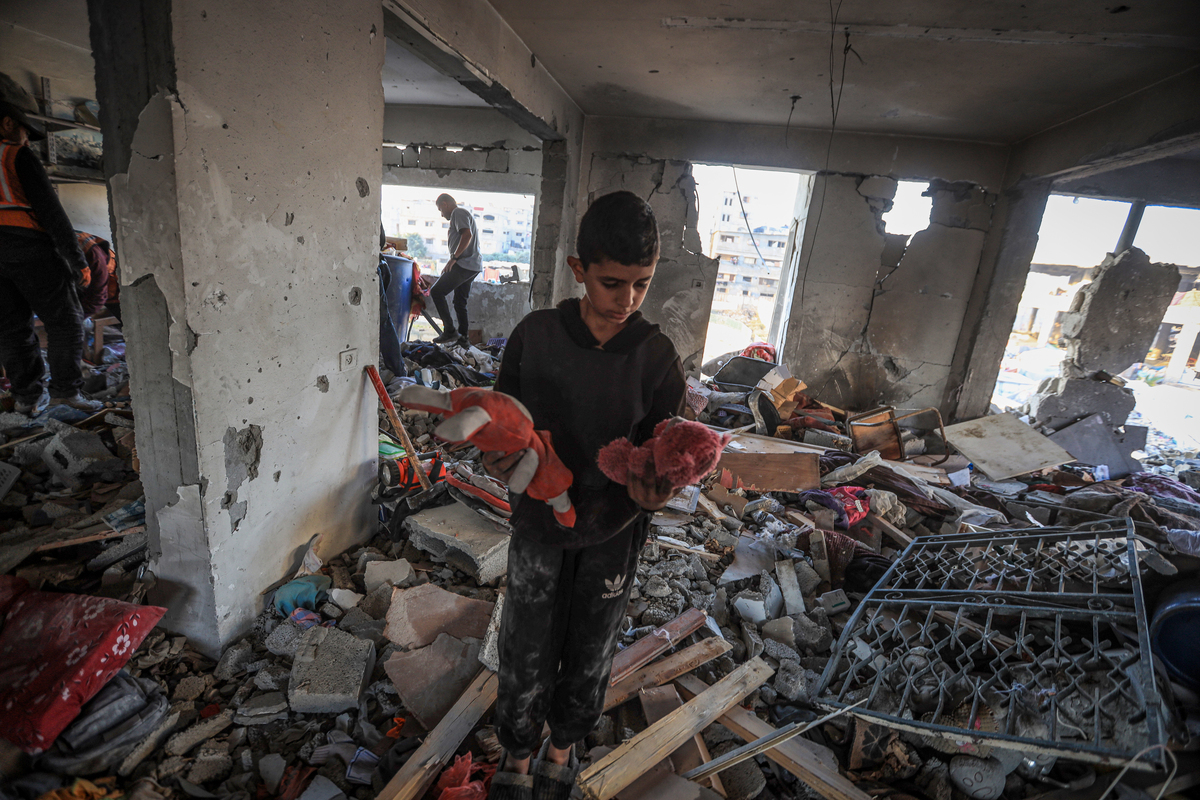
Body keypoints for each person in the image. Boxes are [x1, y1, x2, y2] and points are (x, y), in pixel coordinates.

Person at [482, 191, 686, 800]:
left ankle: (561, 751)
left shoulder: (656, 358)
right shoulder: (535, 336)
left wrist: (655, 493)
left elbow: (663, 455)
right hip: (539, 524)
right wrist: (498, 457)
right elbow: (503, 424)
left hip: (613, 531)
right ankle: (516, 758)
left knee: (593, 643)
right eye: (611, 282)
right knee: (525, 643)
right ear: (578, 271)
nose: (626, 300)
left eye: (641, 284)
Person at [0, 85, 102, 415]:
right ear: (6, 124)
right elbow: (52, 213)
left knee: (12, 329)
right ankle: (64, 395)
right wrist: (76, 263)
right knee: (65, 323)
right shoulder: (14, 155)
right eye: (25, 132)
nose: (26, 140)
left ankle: (27, 399)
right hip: (28, 248)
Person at [429, 193, 481, 346]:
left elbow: (467, 234)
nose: (442, 214)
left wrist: (454, 259)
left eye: (440, 209)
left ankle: (450, 331)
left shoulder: (458, 213)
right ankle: (463, 338)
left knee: (436, 291)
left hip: (465, 264)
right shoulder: (462, 214)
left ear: (445, 204)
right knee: (459, 302)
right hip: (472, 266)